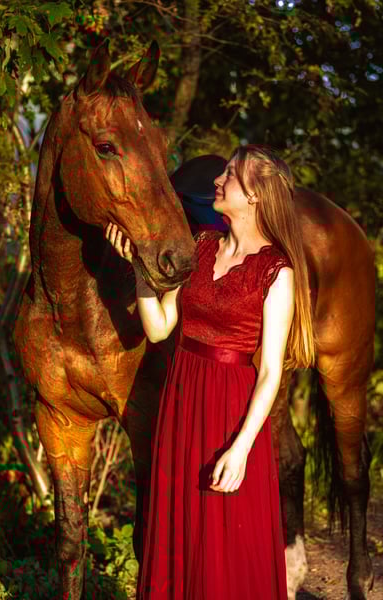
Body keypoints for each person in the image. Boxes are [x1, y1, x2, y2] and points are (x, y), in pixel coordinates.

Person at [105, 144, 315, 600]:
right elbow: (160, 328)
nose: (217, 181)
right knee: (180, 530)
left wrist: (241, 448)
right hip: (181, 405)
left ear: (255, 194)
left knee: (226, 540)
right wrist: (140, 270)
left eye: (230, 175)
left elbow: (271, 372)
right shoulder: (199, 247)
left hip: (231, 414)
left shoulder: (277, 271)